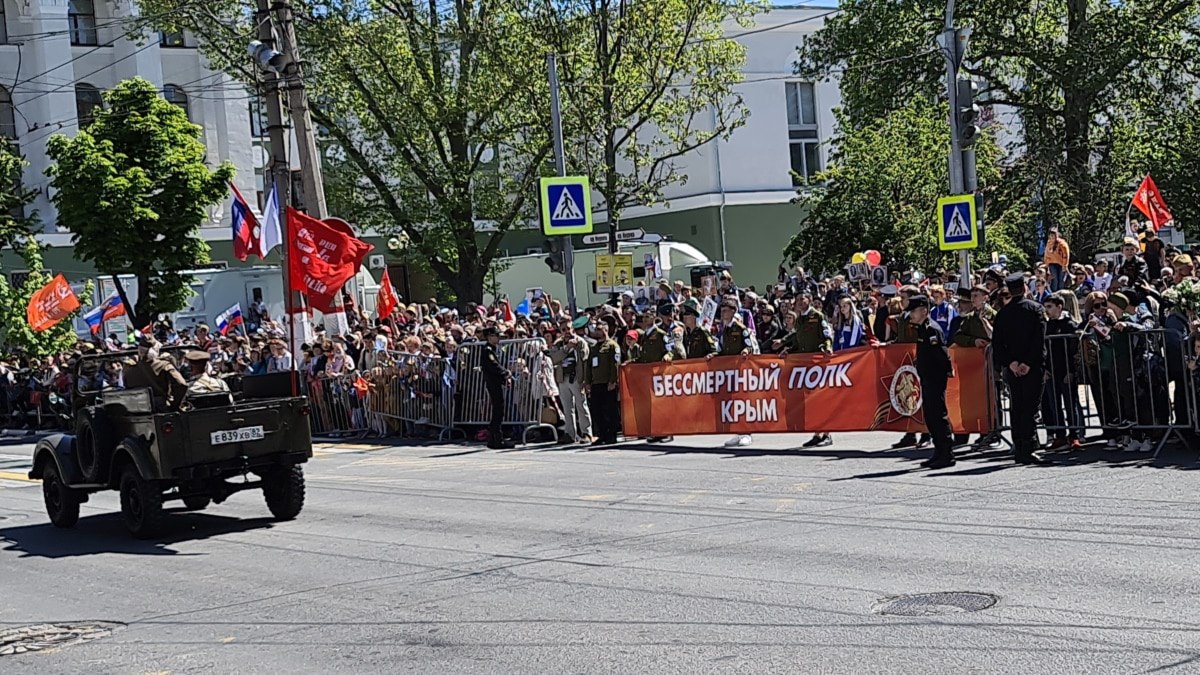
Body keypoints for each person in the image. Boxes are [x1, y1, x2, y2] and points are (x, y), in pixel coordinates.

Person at [991, 273, 1050, 464]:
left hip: (1013, 368)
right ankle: (1029, 446)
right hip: (1031, 367)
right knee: (1030, 408)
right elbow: (1038, 340)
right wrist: (1028, 363)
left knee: (1017, 406)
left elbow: (998, 344)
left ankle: (1019, 447)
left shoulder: (1002, 314)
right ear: (1024, 288)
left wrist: (1011, 363)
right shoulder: (1035, 309)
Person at [776, 290, 834, 448]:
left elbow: (826, 334)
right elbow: (798, 340)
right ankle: (817, 433)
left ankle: (827, 433)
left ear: (809, 300)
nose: (800, 302)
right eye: (798, 300)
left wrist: (827, 347)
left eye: (803, 299)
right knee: (811, 401)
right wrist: (788, 349)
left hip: (817, 362)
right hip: (804, 364)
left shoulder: (817, 316)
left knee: (821, 399)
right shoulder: (799, 319)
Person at [906, 296, 955, 469]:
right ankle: (939, 451)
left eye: (913, 311)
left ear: (924, 311)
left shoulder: (931, 329)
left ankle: (946, 453)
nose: (910, 315)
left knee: (938, 415)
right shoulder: (922, 329)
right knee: (930, 416)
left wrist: (947, 370)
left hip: (935, 378)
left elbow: (941, 354)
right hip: (927, 377)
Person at [713, 299, 756, 448]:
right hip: (728, 370)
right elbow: (722, 349)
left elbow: (749, 346)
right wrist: (714, 355)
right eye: (722, 310)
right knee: (732, 402)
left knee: (742, 402)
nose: (723, 313)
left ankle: (747, 433)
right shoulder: (723, 329)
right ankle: (738, 431)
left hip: (740, 369)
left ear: (733, 311)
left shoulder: (741, 328)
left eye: (726, 310)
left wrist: (745, 351)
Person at [548, 316, 593, 445]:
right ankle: (570, 433)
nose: (566, 331)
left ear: (572, 328)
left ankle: (587, 432)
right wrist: (567, 348)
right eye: (563, 329)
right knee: (567, 408)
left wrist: (585, 380)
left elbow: (585, 360)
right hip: (563, 378)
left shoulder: (580, 342)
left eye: (568, 328)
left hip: (577, 378)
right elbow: (554, 358)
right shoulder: (558, 343)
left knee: (581, 405)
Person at [124, 335, 189, 412]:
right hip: (161, 409)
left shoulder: (129, 372)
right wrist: (175, 405)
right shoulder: (164, 366)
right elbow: (182, 384)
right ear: (155, 349)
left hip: (139, 411)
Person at [586, 321, 622, 446]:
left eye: (599, 329)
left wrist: (613, 380)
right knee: (597, 411)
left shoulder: (612, 345)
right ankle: (601, 435)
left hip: (607, 383)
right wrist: (588, 382)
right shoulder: (594, 347)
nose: (596, 331)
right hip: (596, 383)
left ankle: (611, 435)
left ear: (605, 330)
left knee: (609, 411)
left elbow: (615, 364)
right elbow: (589, 366)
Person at [480, 326, 514, 450]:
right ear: (490, 337)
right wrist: (505, 373)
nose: (499, 338)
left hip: (495, 382)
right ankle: (497, 439)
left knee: (498, 410)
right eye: (496, 336)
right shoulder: (488, 350)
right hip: (493, 382)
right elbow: (493, 365)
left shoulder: (491, 349)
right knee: (498, 410)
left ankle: (493, 439)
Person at [1043, 227, 1070, 292]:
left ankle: (1061, 292)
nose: (1052, 237)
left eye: (1053, 235)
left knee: (1061, 279)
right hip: (1052, 263)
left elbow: (1066, 255)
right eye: (1050, 235)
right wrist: (1046, 264)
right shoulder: (1048, 243)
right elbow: (1046, 254)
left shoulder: (1062, 244)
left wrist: (1065, 265)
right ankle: (1054, 292)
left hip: (1061, 264)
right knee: (1054, 279)